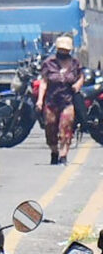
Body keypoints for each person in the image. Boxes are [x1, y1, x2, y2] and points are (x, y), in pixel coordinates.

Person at [36, 34, 83, 165]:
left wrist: (78, 85)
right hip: (51, 101)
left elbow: (80, 76)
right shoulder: (49, 63)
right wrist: (40, 100)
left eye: (66, 50)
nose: (64, 52)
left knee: (66, 128)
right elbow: (44, 82)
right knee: (50, 127)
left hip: (67, 101)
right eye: (62, 49)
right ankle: (54, 151)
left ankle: (63, 155)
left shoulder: (75, 63)